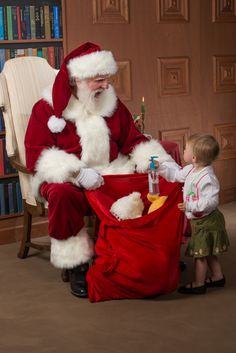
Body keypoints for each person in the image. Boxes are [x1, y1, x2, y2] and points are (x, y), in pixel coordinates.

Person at [24, 42, 177, 298]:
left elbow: (133, 138)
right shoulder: (44, 110)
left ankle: (148, 251)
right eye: (99, 80)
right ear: (77, 80)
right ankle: (77, 263)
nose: (106, 85)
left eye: (107, 79)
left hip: (111, 172)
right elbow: (37, 155)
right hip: (69, 179)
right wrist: (76, 172)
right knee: (61, 195)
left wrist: (159, 161)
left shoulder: (112, 105)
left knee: (155, 182)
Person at [156, 133, 230, 294]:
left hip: (208, 221)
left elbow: (210, 202)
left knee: (200, 253)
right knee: (208, 251)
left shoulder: (207, 178)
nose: (183, 151)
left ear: (194, 157)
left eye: (185, 149)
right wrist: (160, 167)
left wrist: (190, 205)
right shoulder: (191, 170)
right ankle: (218, 277)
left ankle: (198, 283)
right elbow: (175, 175)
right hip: (200, 221)